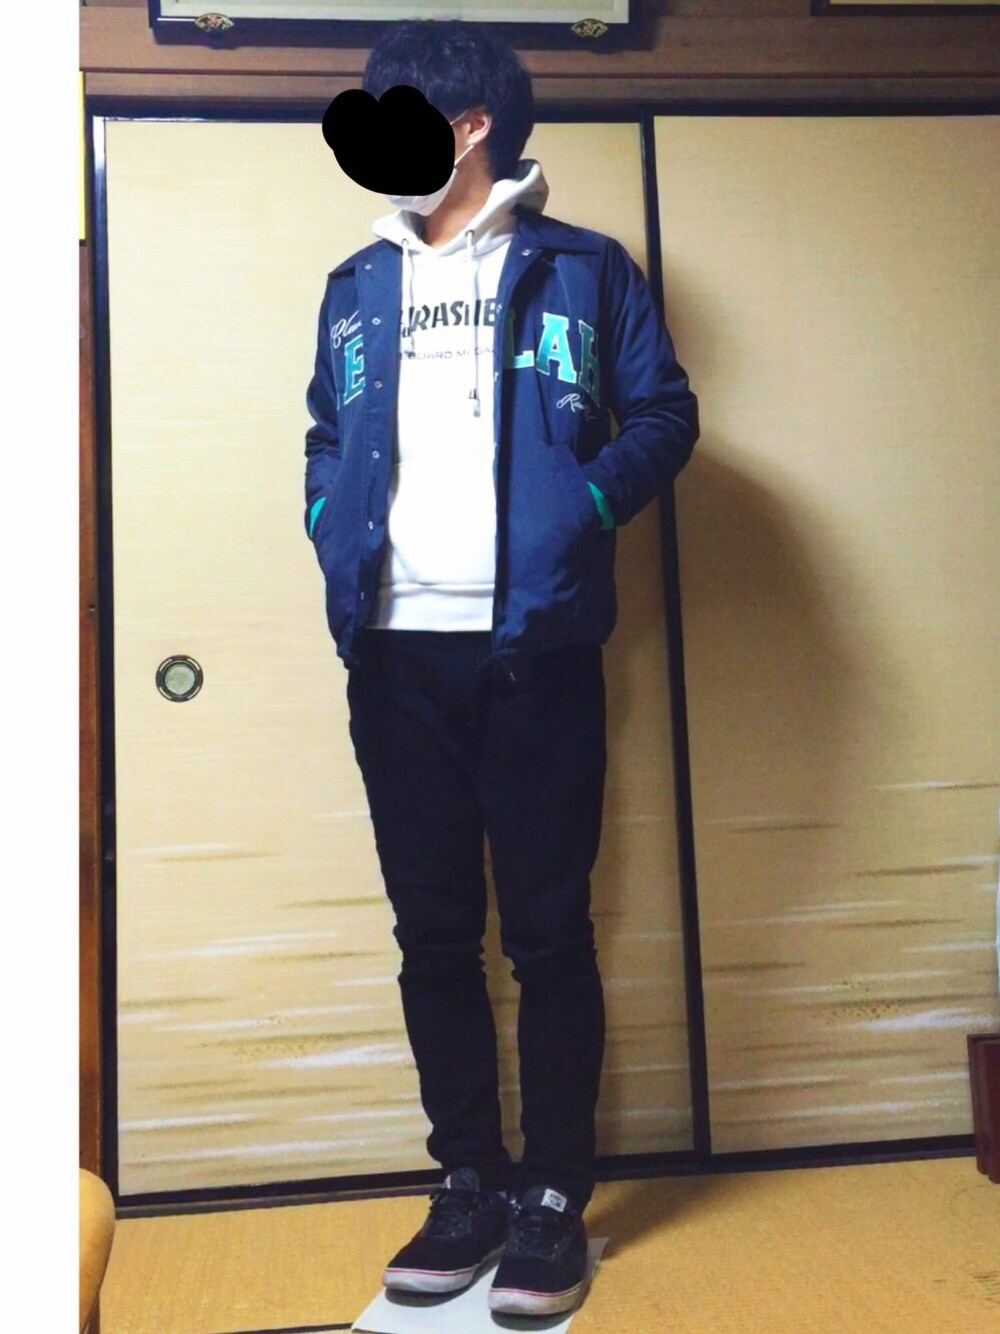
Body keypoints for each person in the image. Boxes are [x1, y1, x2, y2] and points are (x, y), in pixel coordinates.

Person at [303, 18, 699, 1318]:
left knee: (545, 931)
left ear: (468, 125)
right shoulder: (357, 283)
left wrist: (581, 510)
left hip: (536, 651)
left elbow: (664, 413)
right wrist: (331, 526)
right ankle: (468, 1178)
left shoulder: (584, 268)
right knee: (431, 932)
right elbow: (324, 433)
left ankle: (553, 1198)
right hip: (393, 655)